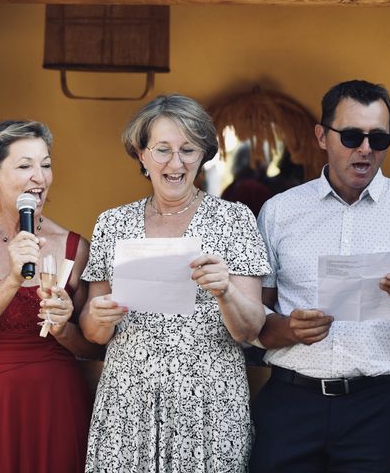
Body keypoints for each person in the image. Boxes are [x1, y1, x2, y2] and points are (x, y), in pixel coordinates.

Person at [80, 94, 270, 472]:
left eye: (188, 149)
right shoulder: (112, 224)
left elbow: (251, 328)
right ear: (141, 153)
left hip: (208, 407)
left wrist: (226, 291)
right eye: (163, 149)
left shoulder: (234, 220)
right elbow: (93, 332)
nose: (175, 162)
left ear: (203, 155)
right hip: (127, 404)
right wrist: (100, 315)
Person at [250, 80, 390, 472]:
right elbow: (256, 323)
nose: (365, 149)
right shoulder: (279, 212)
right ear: (322, 136)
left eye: (379, 138)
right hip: (291, 401)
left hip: (379, 407)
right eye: (351, 135)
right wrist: (289, 329)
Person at [0, 120, 101, 473]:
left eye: (45, 165)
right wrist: (13, 278)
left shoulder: (75, 247)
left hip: (57, 406)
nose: (39, 178)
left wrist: (63, 329)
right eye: (25, 166)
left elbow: (95, 348)